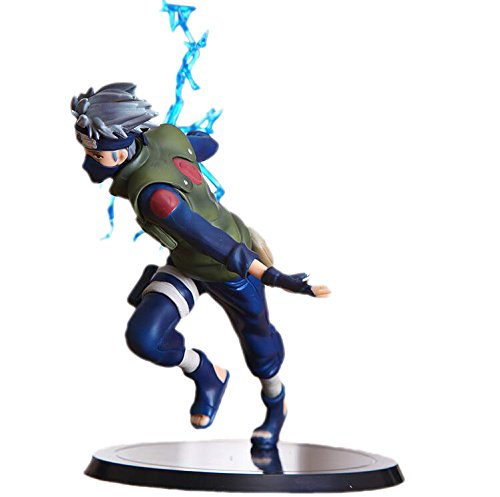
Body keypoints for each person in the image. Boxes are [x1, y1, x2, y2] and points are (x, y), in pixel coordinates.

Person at [71, 82, 330, 448]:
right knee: (145, 337)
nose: (89, 162)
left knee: (259, 344)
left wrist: (273, 276)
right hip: (187, 265)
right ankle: (208, 374)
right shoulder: (165, 136)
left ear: (122, 147)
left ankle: (276, 405)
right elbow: (207, 144)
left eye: (96, 154)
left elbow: (212, 241)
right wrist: (185, 154)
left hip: (230, 270)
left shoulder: (155, 197)